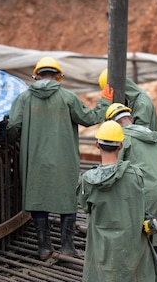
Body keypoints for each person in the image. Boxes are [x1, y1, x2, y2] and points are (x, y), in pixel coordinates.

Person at [77, 120, 157, 282]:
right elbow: (141, 204)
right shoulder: (135, 174)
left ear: (97, 145)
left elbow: (86, 207)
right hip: (136, 243)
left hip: (107, 249)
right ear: (121, 145)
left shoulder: (88, 180)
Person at [7, 56, 113, 260]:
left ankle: (44, 248)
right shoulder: (68, 97)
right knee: (67, 198)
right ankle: (67, 247)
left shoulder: (24, 98)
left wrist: (14, 139)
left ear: (36, 76)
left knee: (38, 199)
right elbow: (89, 119)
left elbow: (13, 126)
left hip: (34, 160)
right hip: (64, 160)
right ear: (58, 77)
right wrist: (105, 102)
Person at [105, 103, 157, 261]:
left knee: (143, 237)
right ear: (131, 118)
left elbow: (113, 169)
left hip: (145, 192)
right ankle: (154, 275)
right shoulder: (151, 136)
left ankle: (147, 279)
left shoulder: (123, 138)